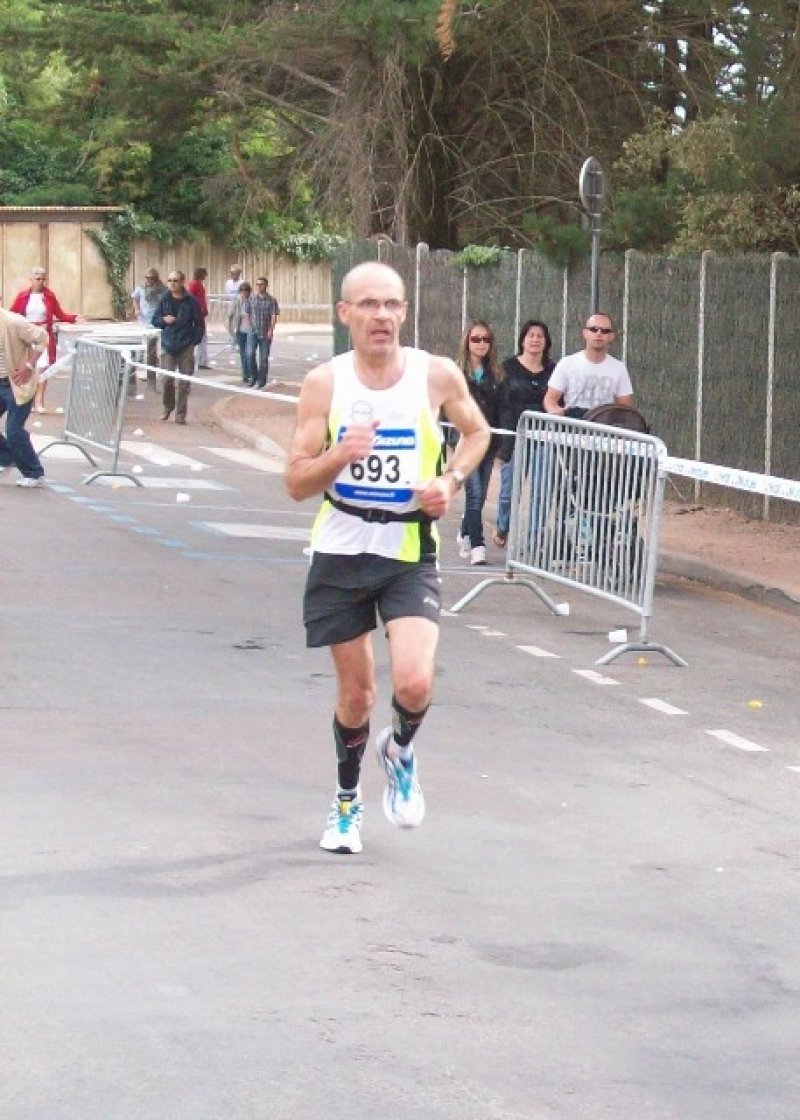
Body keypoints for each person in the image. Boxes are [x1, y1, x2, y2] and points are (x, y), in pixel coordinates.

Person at [285, 261, 489, 855]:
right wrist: (340, 455)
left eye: (392, 304)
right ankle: (347, 803)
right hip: (342, 550)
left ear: (404, 311)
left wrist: (449, 482)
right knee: (357, 698)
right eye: (369, 304)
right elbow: (296, 482)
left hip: (407, 549)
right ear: (345, 313)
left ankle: (399, 751)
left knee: (415, 681)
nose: (382, 316)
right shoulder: (325, 384)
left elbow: (477, 434)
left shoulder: (436, 374)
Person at [494, 319, 555, 547]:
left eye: (540, 336)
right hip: (514, 437)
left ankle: (533, 540)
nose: (535, 340)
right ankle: (503, 527)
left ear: (546, 342)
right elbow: (500, 403)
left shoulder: (554, 371)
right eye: (531, 335)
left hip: (544, 439)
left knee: (541, 492)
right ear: (522, 340)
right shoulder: (507, 368)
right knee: (509, 492)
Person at [452, 320, 503, 565]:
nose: (481, 344)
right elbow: (447, 409)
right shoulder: (456, 373)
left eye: (486, 339)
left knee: (480, 496)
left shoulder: (497, 374)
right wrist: (454, 437)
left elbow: (501, 409)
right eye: (476, 339)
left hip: (488, 442)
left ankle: (465, 530)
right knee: (474, 494)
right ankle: (477, 545)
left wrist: (501, 441)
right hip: (465, 442)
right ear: (467, 342)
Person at [10, 266, 83, 414]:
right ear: (31, 279)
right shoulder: (22, 296)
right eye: (38, 279)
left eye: (43, 279)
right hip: (27, 335)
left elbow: (59, 313)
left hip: (43, 335)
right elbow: (12, 315)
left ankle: (39, 402)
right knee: (28, 368)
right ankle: (27, 401)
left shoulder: (49, 296)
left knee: (42, 367)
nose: (41, 282)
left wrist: (73, 318)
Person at [543, 312, 634, 419]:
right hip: (572, 424)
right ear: (585, 333)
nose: (599, 334)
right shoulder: (567, 363)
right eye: (593, 329)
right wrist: (555, 411)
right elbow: (550, 399)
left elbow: (625, 408)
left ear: (611, 336)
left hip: (603, 426)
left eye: (605, 331)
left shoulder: (619, 368)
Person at [0, 300, 49, 487]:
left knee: (14, 430)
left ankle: (34, 473)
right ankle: (6, 457)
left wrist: (29, 365)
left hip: (16, 384)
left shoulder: (13, 322)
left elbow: (42, 337)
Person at [151, 270, 205, 424]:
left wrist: (194, 341)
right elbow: (154, 320)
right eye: (169, 280)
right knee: (167, 379)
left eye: (175, 280)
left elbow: (199, 324)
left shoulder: (191, 301)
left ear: (182, 282)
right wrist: (164, 320)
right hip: (168, 345)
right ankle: (168, 407)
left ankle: (181, 414)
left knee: (184, 382)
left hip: (186, 345)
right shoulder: (164, 299)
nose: (172, 284)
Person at [131, 268, 167, 389]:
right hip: (144, 322)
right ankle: (149, 374)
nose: (149, 280)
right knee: (146, 349)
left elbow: (167, 302)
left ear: (156, 278)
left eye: (152, 278)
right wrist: (137, 309)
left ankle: (156, 376)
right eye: (147, 277)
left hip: (157, 322)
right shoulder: (141, 288)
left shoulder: (163, 289)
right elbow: (135, 298)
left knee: (156, 349)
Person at [251, 276, 279, 388]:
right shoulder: (252, 298)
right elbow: (247, 312)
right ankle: (254, 377)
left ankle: (261, 381)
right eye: (257, 284)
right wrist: (249, 326)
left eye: (261, 284)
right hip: (253, 332)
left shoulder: (272, 300)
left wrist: (271, 330)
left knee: (263, 359)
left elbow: (274, 316)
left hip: (265, 332)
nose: (259, 286)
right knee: (250, 355)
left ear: (266, 285)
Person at [227, 282, 257, 384]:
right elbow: (229, 316)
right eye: (242, 291)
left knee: (249, 354)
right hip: (240, 331)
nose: (244, 293)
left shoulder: (253, 301)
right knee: (243, 354)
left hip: (250, 331)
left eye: (246, 290)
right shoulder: (236, 301)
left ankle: (252, 374)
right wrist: (231, 331)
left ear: (249, 291)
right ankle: (246, 374)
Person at [187, 267, 210, 370]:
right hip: (197, 315)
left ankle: (202, 360)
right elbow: (191, 298)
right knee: (201, 338)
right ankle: (200, 361)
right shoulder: (195, 284)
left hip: (200, 314)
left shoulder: (197, 284)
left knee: (202, 338)